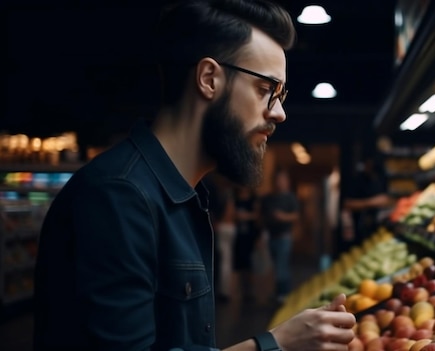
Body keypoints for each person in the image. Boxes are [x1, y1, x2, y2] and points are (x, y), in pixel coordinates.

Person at [32, 1, 356, 350]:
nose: (279, 114)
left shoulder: (185, 196)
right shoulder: (117, 197)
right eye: (266, 90)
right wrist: (276, 344)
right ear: (208, 79)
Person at [260, 168, 299, 303]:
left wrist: (282, 217)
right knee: (276, 266)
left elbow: (295, 216)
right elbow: (262, 216)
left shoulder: (290, 198)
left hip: (284, 236)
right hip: (271, 236)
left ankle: (284, 292)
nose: (280, 182)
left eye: (282, 180)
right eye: (278, 180)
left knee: (282, 266)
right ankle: (278, 291)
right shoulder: (268, 198)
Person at [340, 156, 392, 253]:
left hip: (378, 231)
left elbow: (386, 200)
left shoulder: (381, 178)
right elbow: (347, 204)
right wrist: (372, 202)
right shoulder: (357, 180)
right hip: (359, 231)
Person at [233, 186, 261, 299]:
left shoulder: (253, 200)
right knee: (240, 264)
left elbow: (257, 216)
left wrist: (245, 216)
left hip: (250, 235)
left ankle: (250, 291)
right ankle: (243, 290)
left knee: (250, 264)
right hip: (238, 235)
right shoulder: (235, 198)